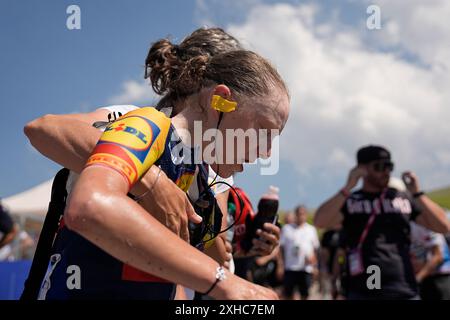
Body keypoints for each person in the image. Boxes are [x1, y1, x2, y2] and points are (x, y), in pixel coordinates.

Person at [25, 30, 290, 299]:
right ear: (220, 99)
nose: (267, 153)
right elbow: (89, 205)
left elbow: (169, 271)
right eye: (264, 132)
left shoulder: (198, 169)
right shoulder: (146, 121)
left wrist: (244, 244)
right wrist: (149, 179)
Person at [314, 145, 450, 300]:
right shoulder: (352, 200)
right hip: (365, 290)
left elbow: (443, 226)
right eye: (379, 166)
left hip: (403, 287)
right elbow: (320, 221)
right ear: (362, 169)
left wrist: (417, 193)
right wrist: (348, 187)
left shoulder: (402, 198)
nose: (386, 172)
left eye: (389, 166)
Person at [280, 205, 319, 300]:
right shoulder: (287, 229)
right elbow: (281, 248)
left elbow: (315, 249)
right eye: (299, 214)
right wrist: (280, 264)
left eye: (303, 214)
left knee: (304, 294)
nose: (301, 216)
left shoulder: (311, 230)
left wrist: (314, 265)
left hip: (305, 269)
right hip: (290, 267)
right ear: (295, 215)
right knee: (288, 295)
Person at [410, 221, 450, 300]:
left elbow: (438, 257)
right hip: (423, 279)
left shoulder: (426, 223)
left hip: (441, 278)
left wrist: (418, 278)